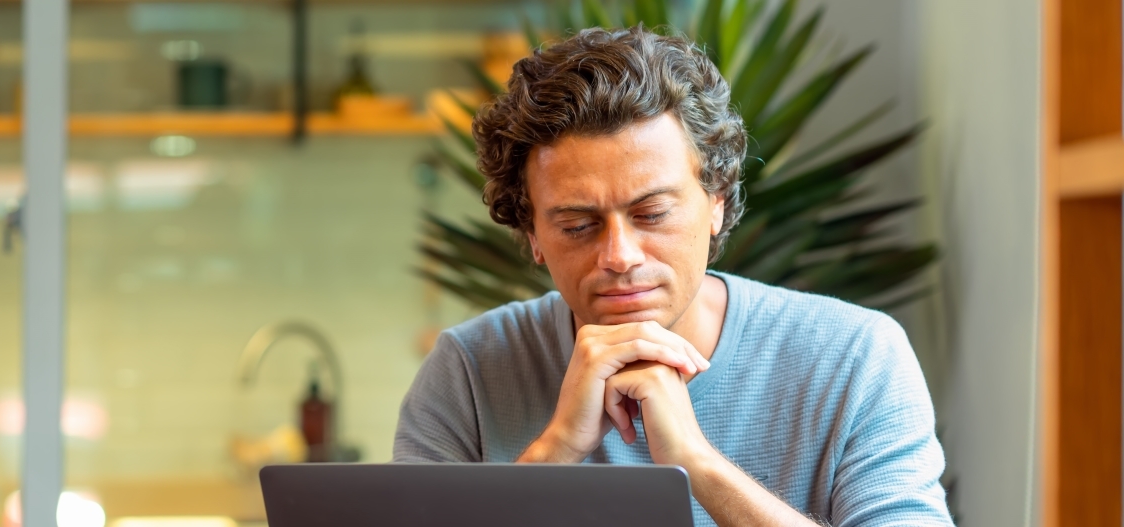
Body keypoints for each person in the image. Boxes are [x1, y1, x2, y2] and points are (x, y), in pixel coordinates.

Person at [391, 26, 952, 526]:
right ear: (533, 234)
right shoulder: (467, 370)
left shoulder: (856, 356)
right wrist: (556, 450)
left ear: (717, 201)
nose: (620, 255)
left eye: (652, 214)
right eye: (578, 225)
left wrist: (695, 463)